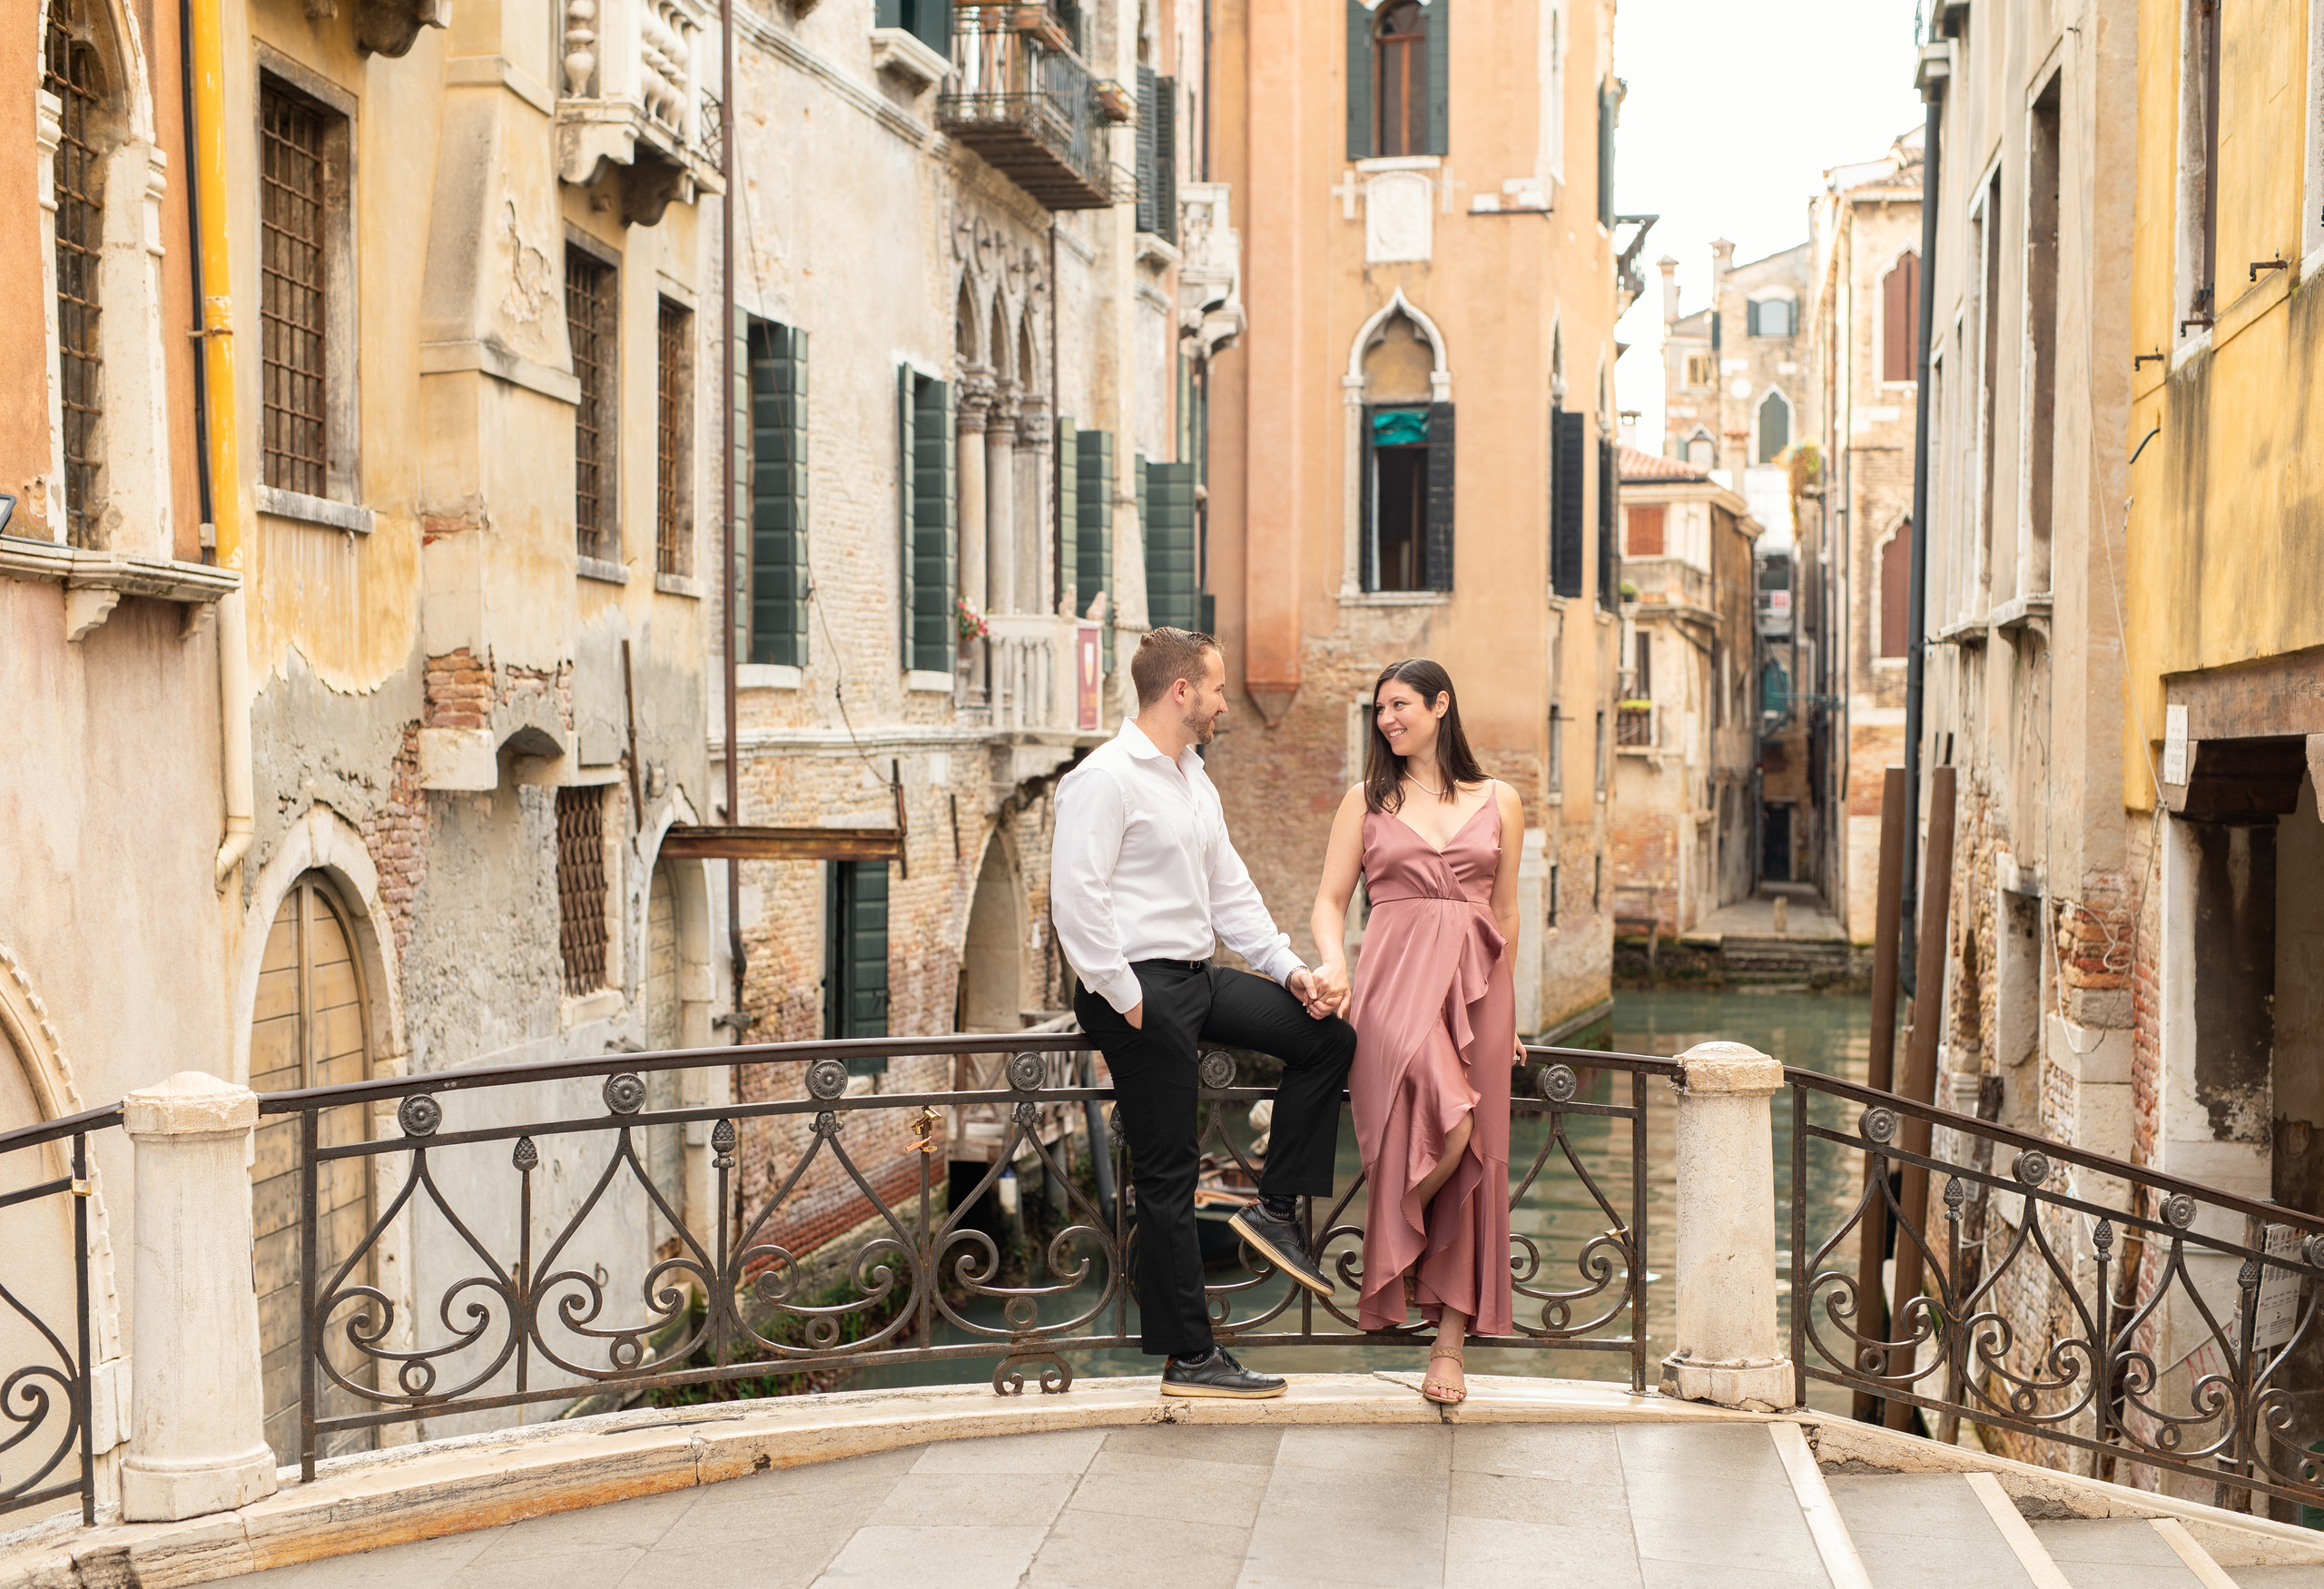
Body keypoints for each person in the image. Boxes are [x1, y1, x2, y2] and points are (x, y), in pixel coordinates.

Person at [1051, 627, 1357, 1400]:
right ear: (1180, 690)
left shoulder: (1193, 778)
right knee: (1168, 1173)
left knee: (1327, 1039)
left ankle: (1275, 1208)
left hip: (1196, 976)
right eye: (1218, 688)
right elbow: (1075, 901)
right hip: (1135, 989)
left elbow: (1232, 896)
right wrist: (1127, 999)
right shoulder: (1105, 778)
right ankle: (1190, 1357)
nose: (1227, 703)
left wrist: (1290, 972)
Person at [1306, 658, 1521, 1406]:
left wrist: (1507, 1010)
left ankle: (1449, 1348)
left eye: (1399, 705)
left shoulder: (1501, 800)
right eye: (1379, 709)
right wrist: (1335, 966)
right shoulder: (1364, 801)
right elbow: (1330, 903)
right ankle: (1397, 1229)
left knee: (1476, 1158)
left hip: (1480, 999)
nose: (1386, 719)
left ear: (1440, 705)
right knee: (1450, 1127)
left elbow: (1506, 915)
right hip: (1393, 987)